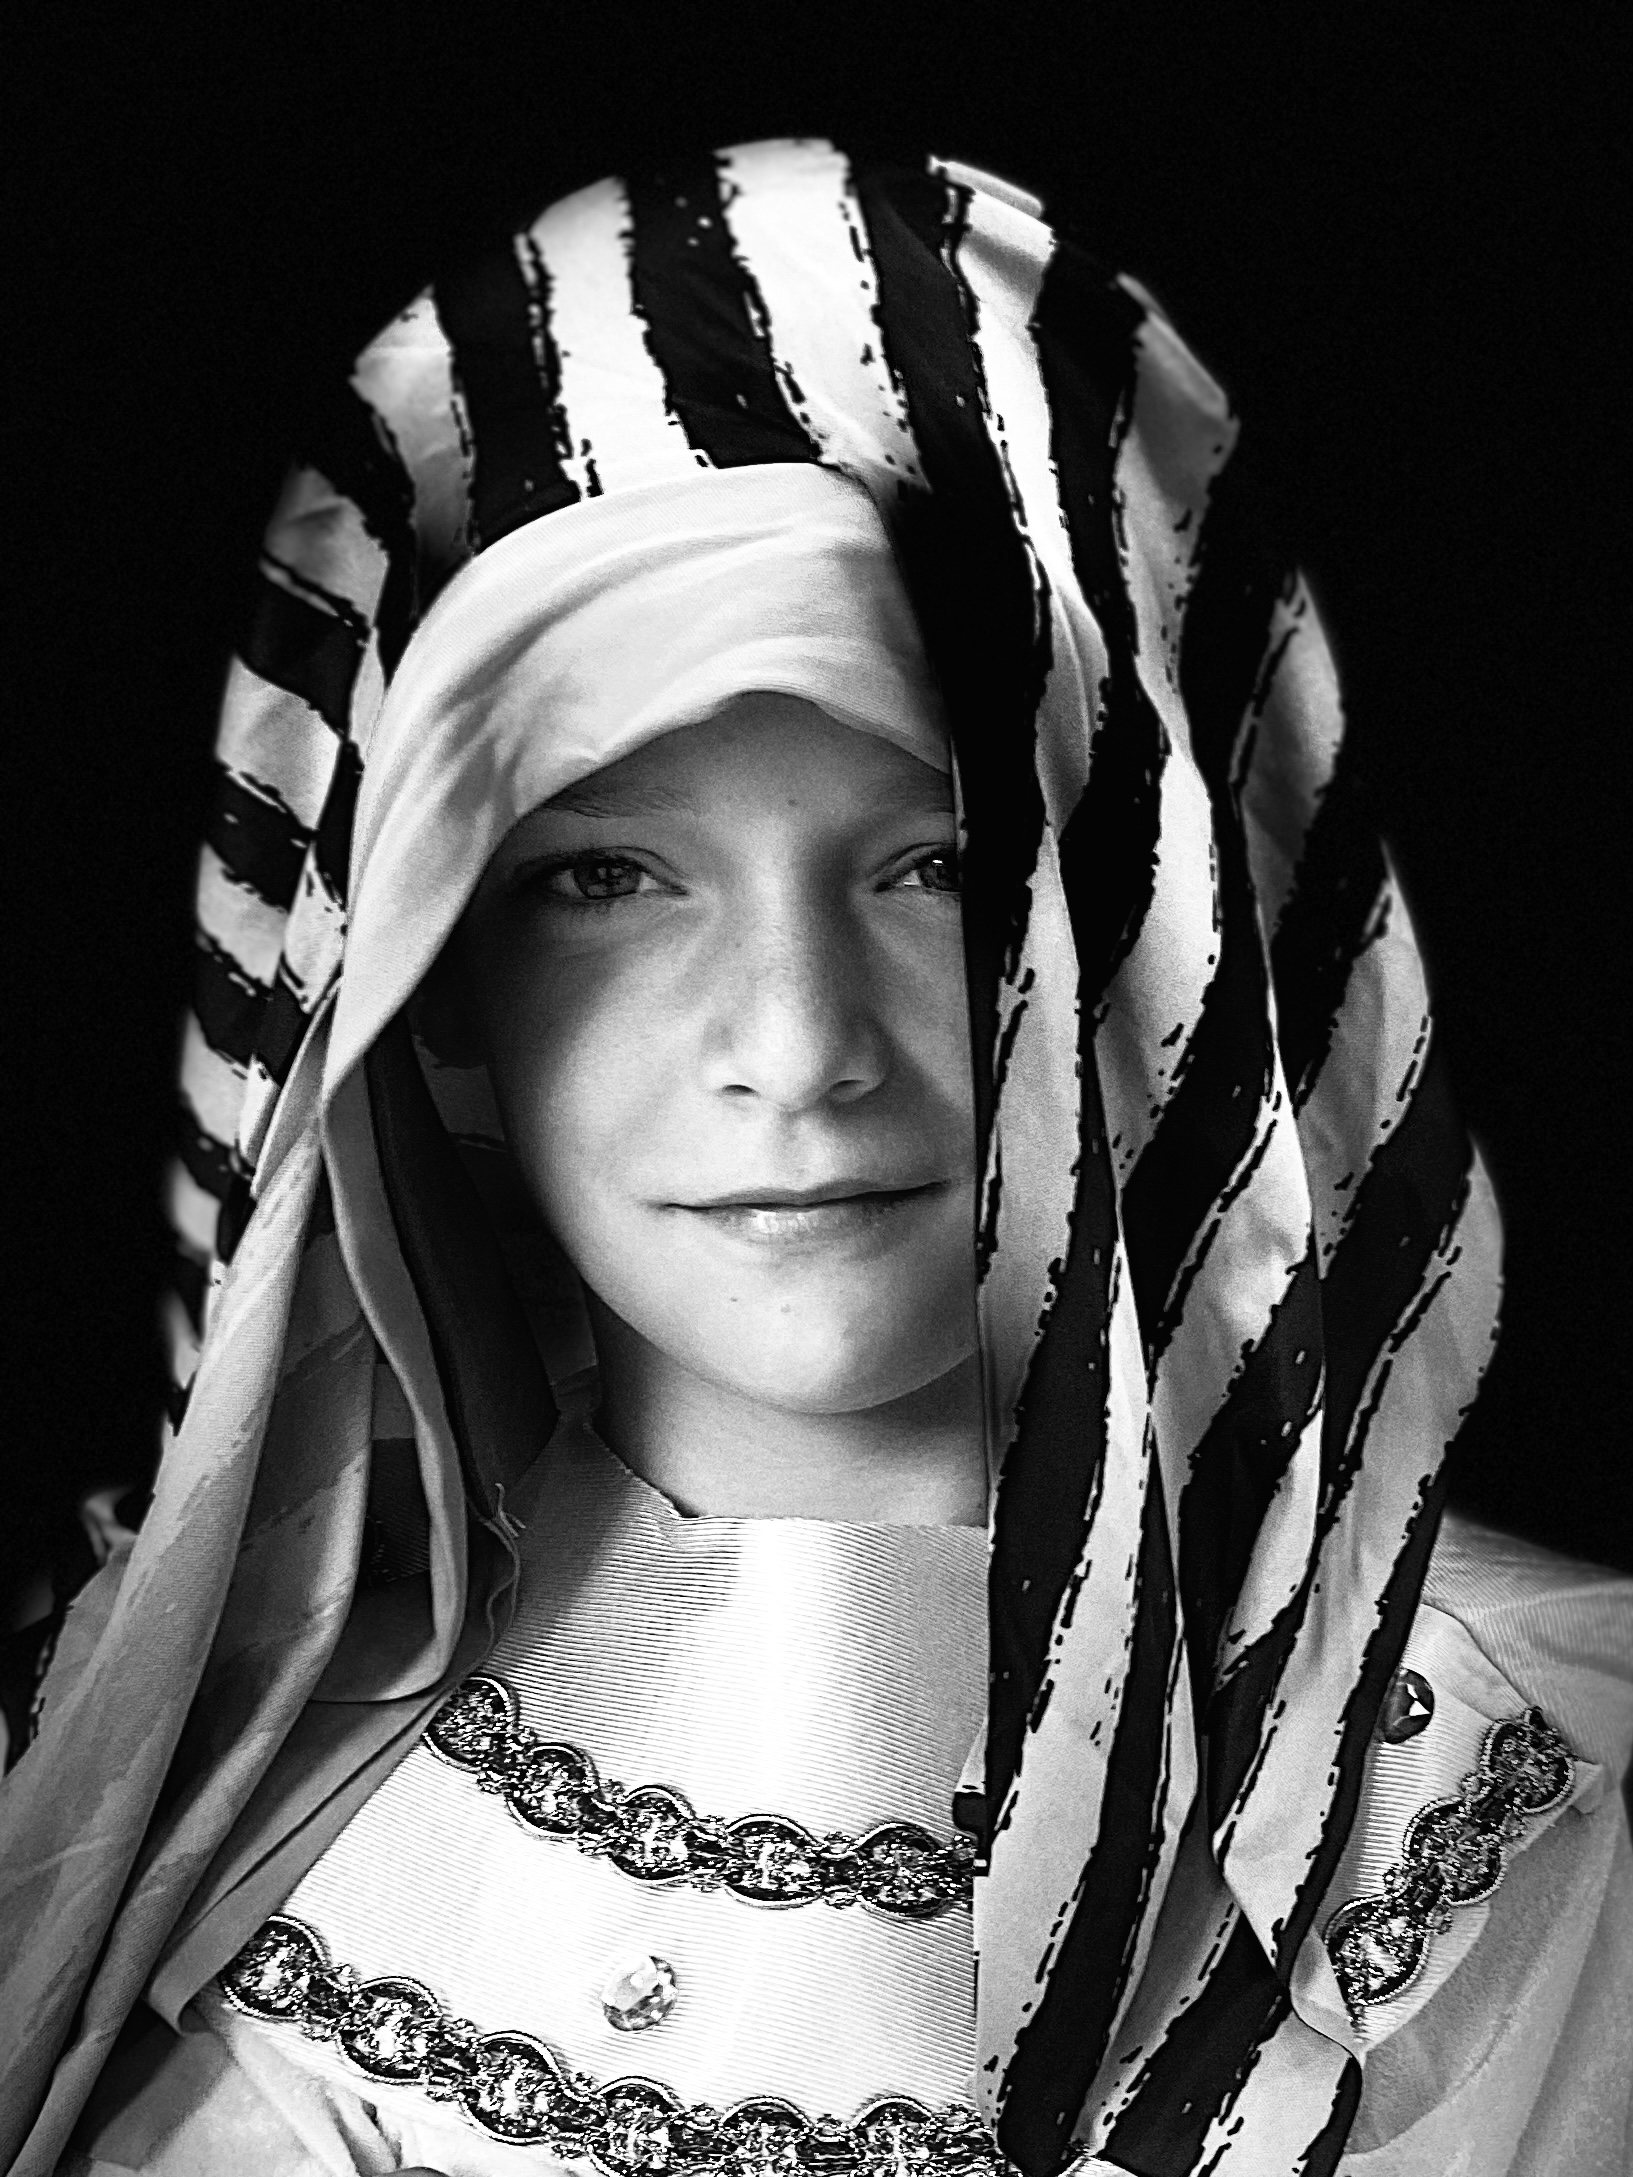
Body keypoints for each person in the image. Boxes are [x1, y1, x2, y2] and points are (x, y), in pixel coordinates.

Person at [1, 139, 1628, 2177]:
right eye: (606, 877)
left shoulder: (1521, 1795)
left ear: (1149, 947)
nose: (794, 1047)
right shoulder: (167, 1796)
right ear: (427, 983)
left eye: (938, 866)